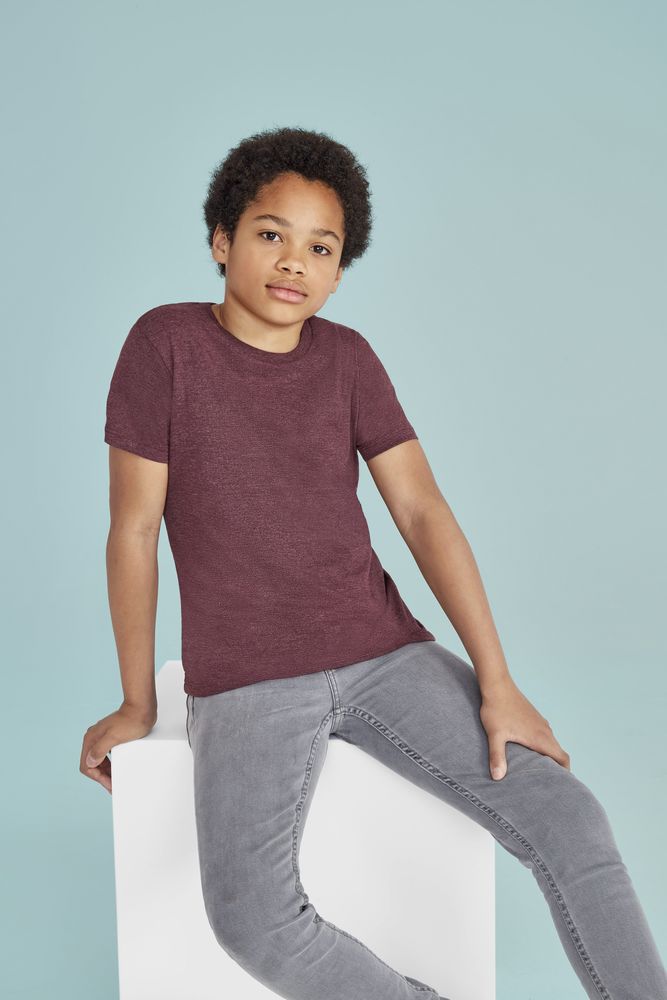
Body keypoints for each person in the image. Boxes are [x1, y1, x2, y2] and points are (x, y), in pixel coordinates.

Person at [81, 126, 667, 1000]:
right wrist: (137, 701)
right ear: (221, 240)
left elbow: (422, 512)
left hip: (384, 654)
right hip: (246, 681)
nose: (294, 261)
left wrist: (498, 683)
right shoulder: (164, 345)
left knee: (569, 816)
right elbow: (133, 531)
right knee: (252, 919)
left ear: (339, 271)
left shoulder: (348, 358)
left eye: (321, 248)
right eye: (271, 234)